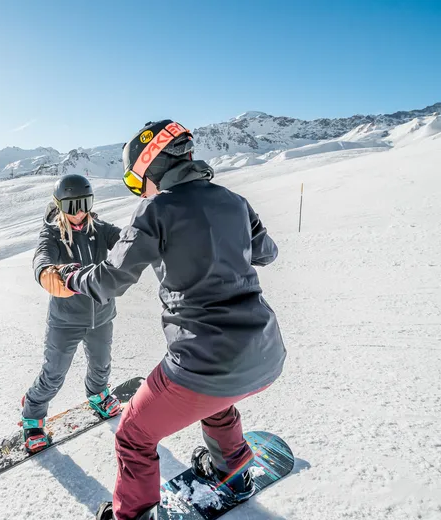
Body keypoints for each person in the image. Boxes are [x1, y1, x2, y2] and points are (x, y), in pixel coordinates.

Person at [44, 120, 286, 520]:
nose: (141, 190)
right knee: (216, 403)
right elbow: (266, 252)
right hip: (266, 353)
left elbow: (108, 280)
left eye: (137, 181)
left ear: (151, 166)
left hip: (201, 362)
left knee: (133, 436)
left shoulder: (155, 209)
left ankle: (132, 514)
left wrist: (68, 276)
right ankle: (235, 471)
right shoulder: (235, 201)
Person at [20, 173, 124, 454]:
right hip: (65, 321)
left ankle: (98, 395)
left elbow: (128, 241)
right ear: (59, 206)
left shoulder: (100, 229)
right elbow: (42, 257)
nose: (78, 213)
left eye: (84, 204)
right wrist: (46, 273)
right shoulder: (53, 233)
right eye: (71, 206)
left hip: (101, 315)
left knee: (101, 363)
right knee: (53, 373)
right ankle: (32, 415)